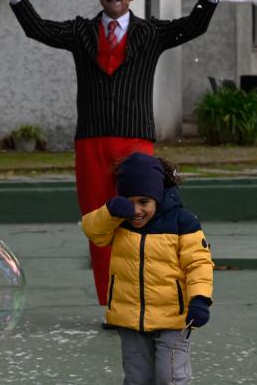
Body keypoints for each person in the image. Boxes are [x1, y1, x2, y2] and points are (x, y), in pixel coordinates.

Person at [1, 0, 224, 308]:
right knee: (98, 220)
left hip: (136, 139)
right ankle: (110, 302)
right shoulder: (80, 32)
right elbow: (38, 29)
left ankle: (139, 297)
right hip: (91, 139)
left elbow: (193, 26)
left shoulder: (150, 33)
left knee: (140, 216)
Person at [81, 152, 214, 384]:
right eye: (129, 202)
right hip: (131, 320)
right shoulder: (118, 222)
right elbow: (93, 231)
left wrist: (200, 298)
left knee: (170, 377)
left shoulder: (183, 221)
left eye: (144, 202)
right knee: (137, 378)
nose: (136, 211)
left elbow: (198, 264)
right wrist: (109, 211)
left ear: (158, 196)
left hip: (173, 319)